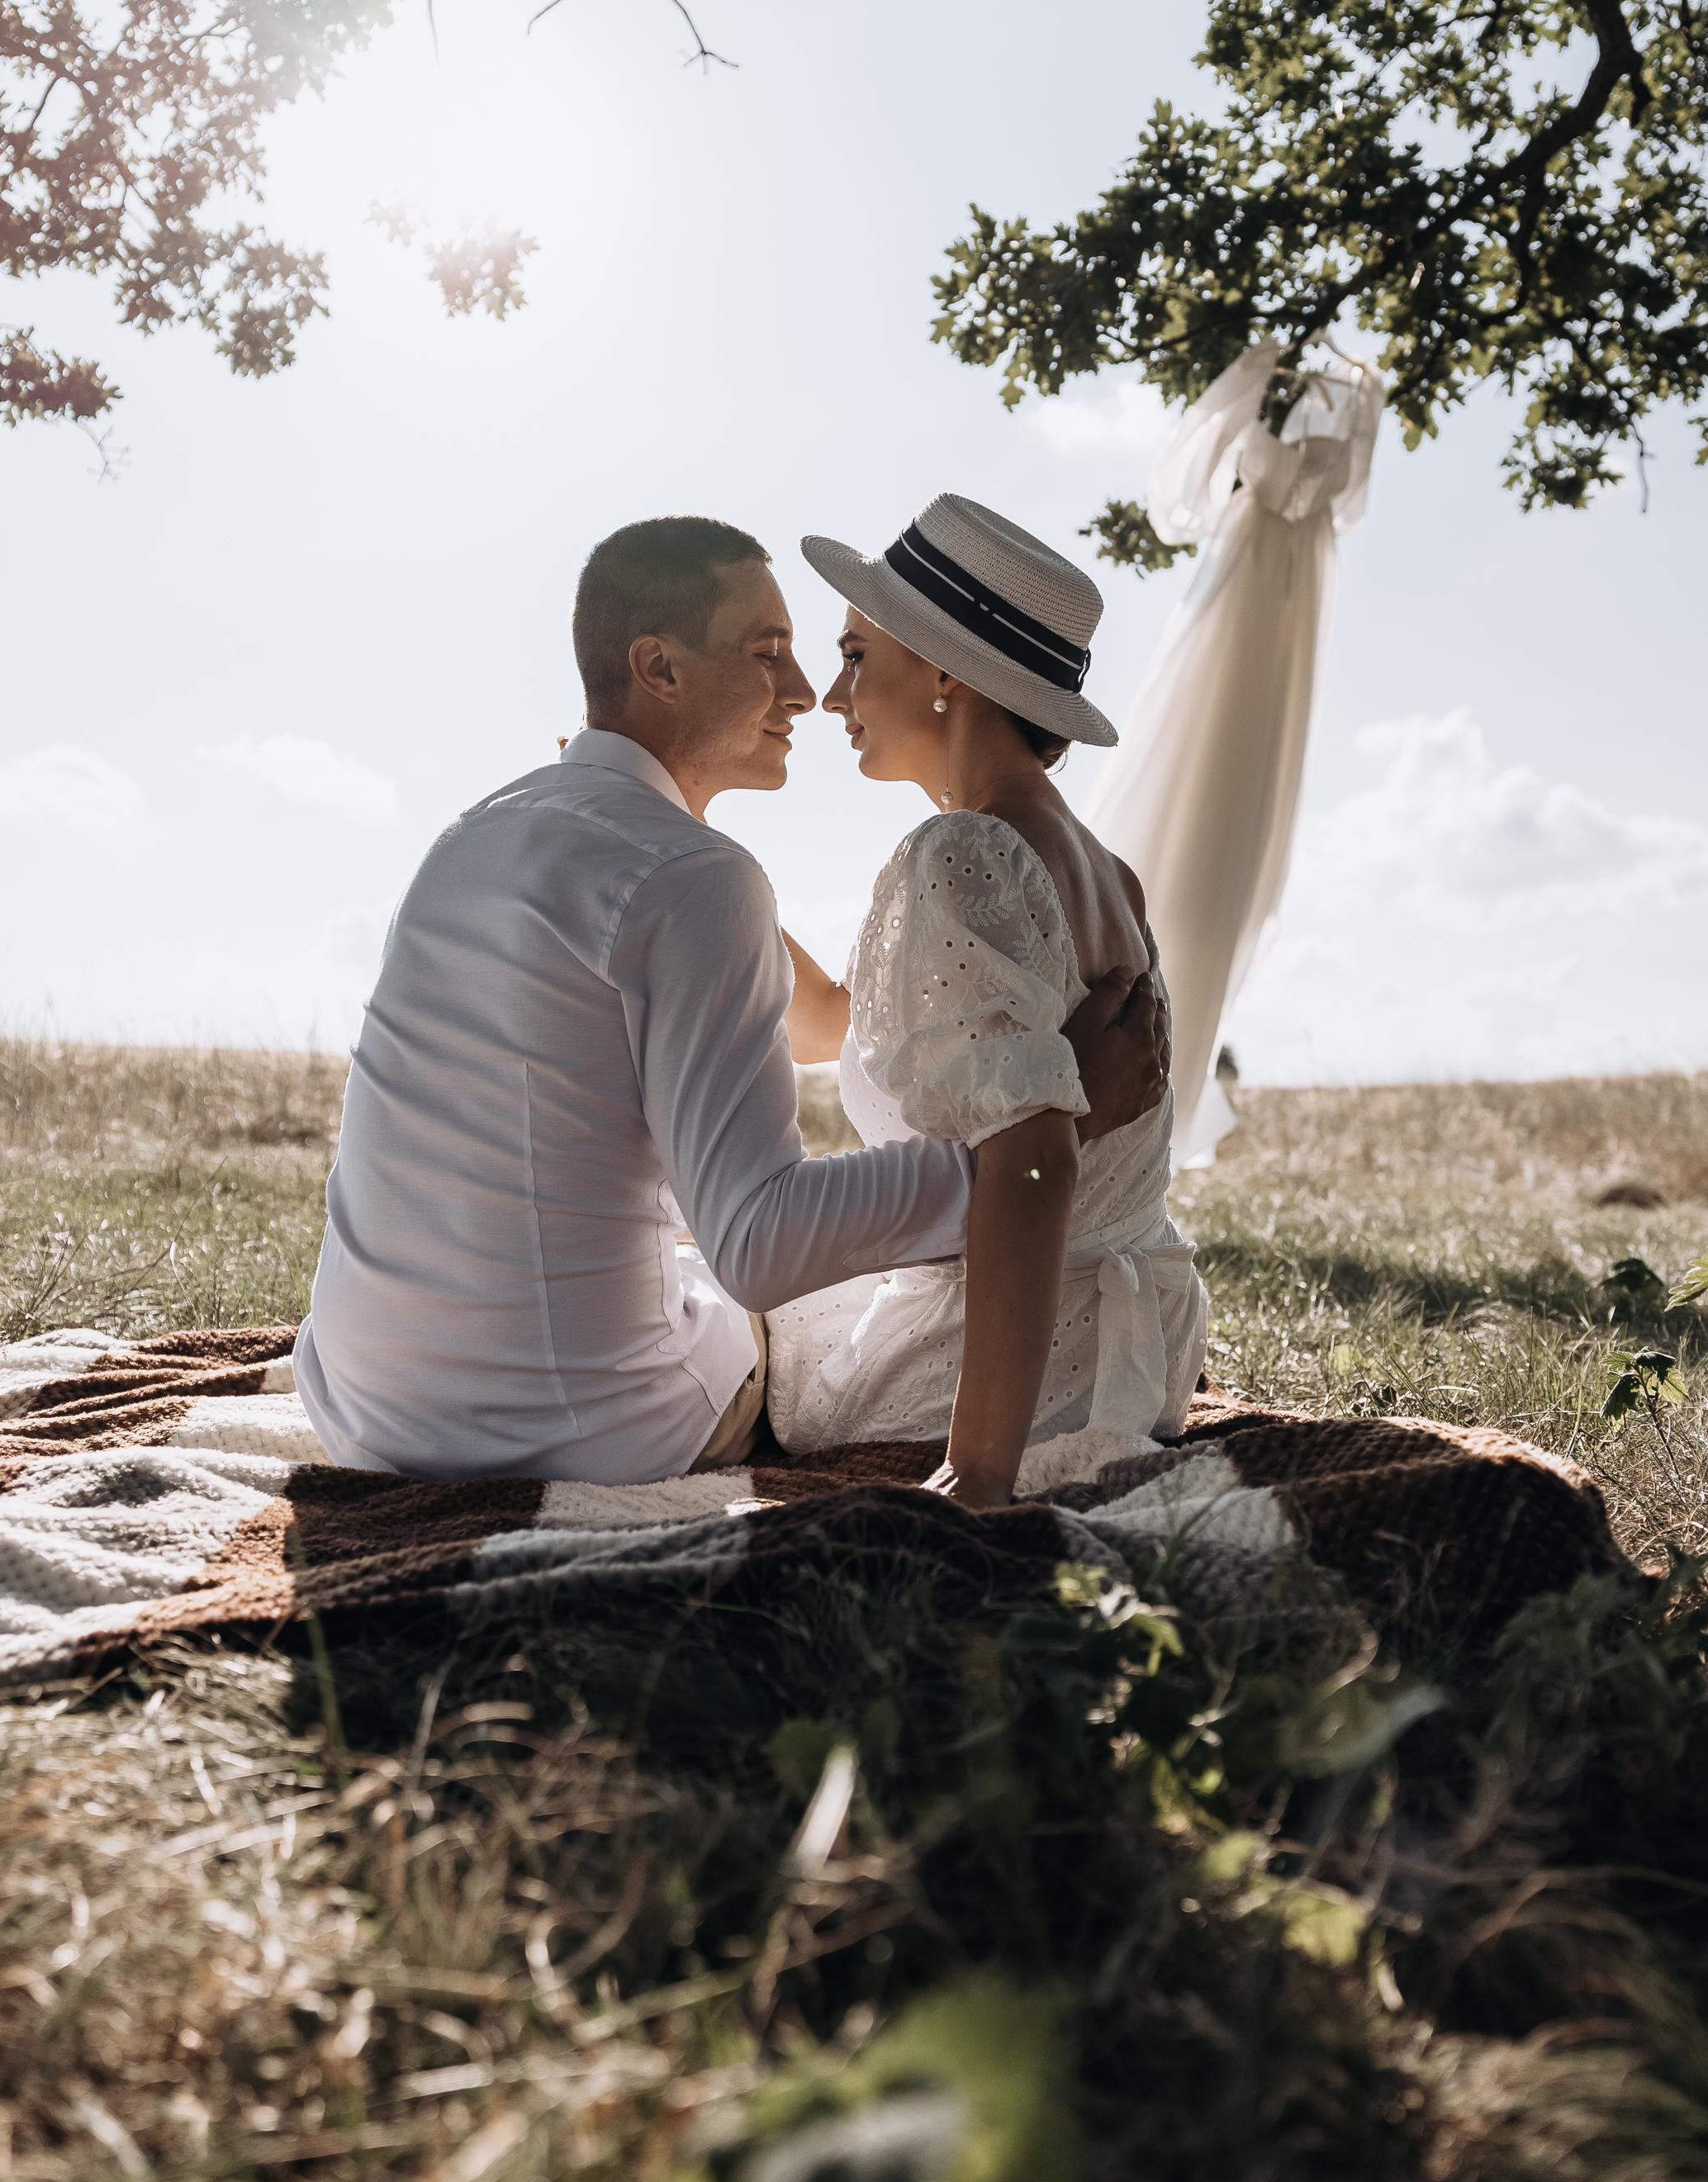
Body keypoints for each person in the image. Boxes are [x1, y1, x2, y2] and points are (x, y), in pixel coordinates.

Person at [292, 515, 1168, 1487]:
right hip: (579, 1427)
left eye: (837, 655)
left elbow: (834, 1024)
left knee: (727, 1275)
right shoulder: (700, 878)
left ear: (949, 673)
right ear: (659, 669)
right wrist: (1043, 1122)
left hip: (359, 1404)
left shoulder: (475, 832)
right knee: (741, 1286)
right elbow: (764, 1221)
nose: (810, 692)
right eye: (772, 654)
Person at [766, 496, 1208, 1506]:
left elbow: (1033, 1159)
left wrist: (976, 1472)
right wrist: (695, 867)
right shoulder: (1102, 869)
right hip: (1128, 1348)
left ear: (943, 670)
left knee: (713, 1322)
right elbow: (837, 1025)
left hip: (1017, 1363)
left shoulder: (960, 855)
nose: (835, 696)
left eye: (852, 654)